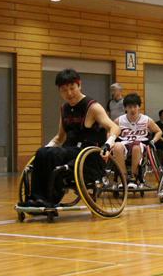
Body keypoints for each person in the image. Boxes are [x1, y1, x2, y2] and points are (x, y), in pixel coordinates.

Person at [20, 69, 120, 208]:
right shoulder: (64, 109)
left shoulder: (92, 106)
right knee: (42, 152)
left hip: (87, 155)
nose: (69, 93)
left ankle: (49, 199)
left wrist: (108, 144)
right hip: (69, 151)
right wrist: (45, 149)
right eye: (64, 90)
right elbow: (60, 137)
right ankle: (36, 198)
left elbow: (114, 127)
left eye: (72, 88)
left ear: (79, 85)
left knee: (53, 155)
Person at [111, 93, 162, 189]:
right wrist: (111, 142)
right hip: (124, 144)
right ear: (125, 108)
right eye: (130, 107)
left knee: (136, 146)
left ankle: (133, 177)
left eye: (135, 106)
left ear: (139, 107)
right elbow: (110, 132)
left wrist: (153, 141)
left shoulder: (146, 120)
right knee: (117, 146)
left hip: (141, 145)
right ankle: (124, 177)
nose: (133, 110)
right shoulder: (119, 120)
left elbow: (158, 131)